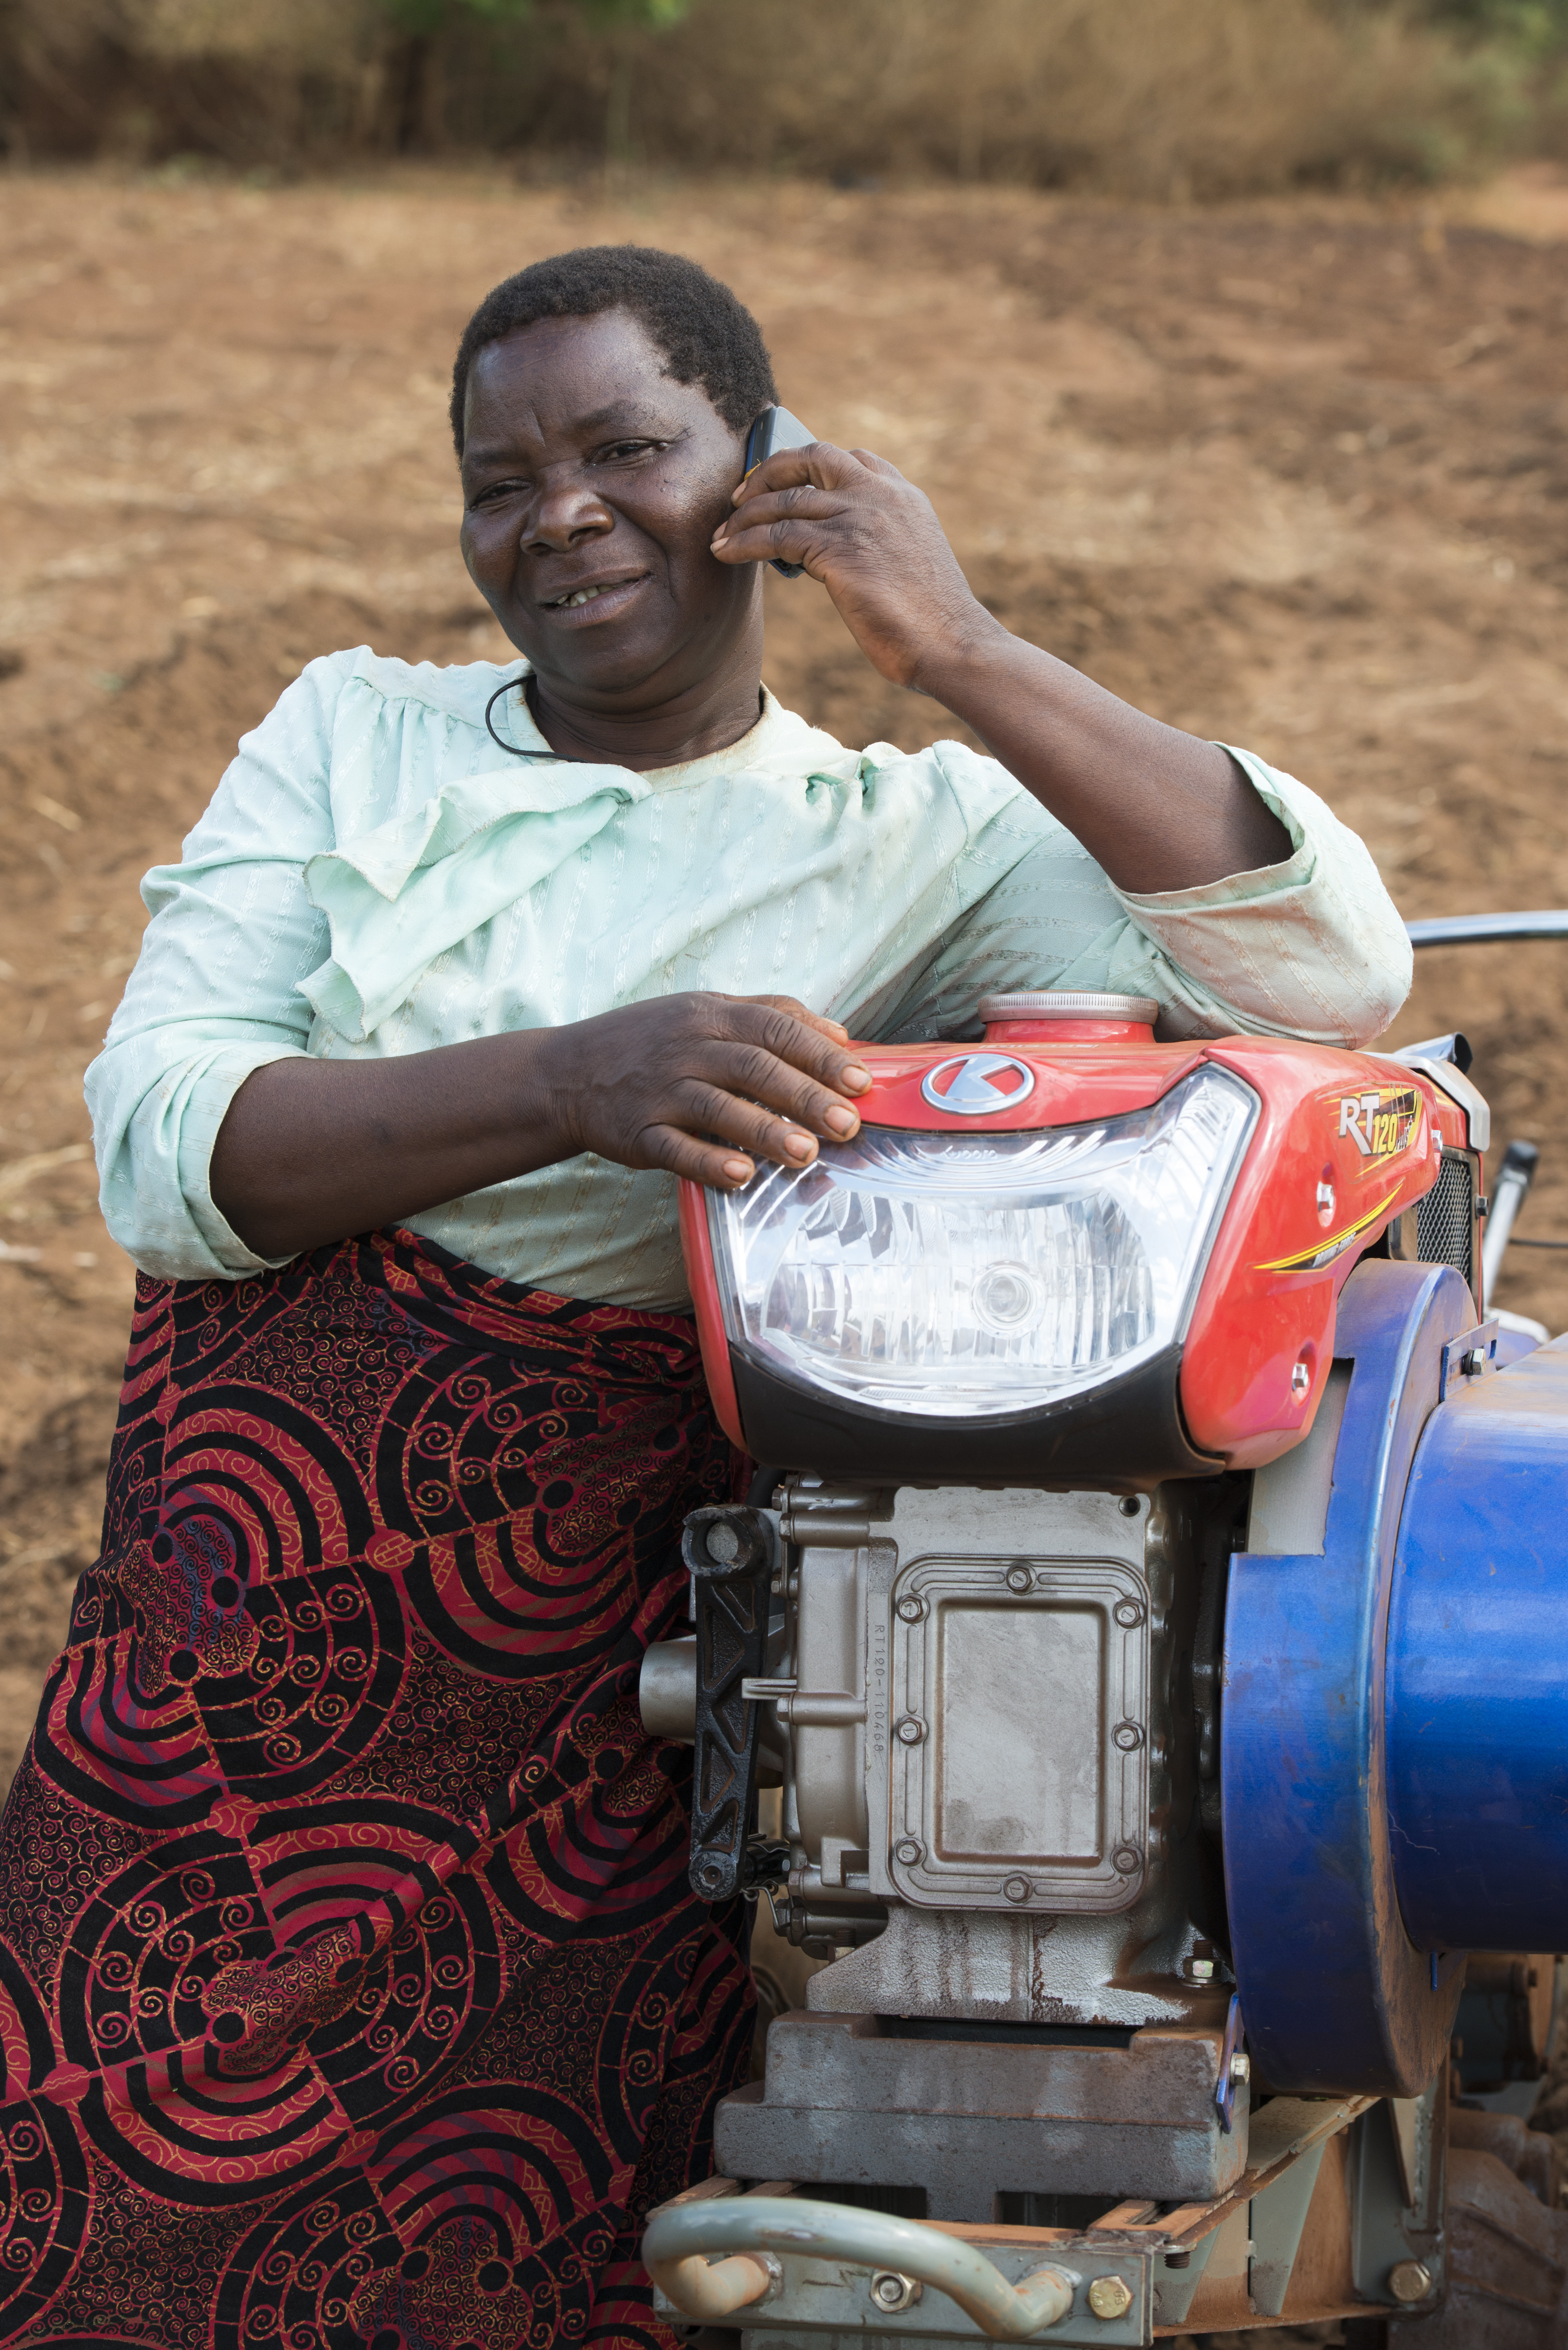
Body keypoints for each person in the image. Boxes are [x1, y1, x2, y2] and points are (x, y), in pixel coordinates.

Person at [0, 246, 1410, 2350]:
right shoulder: (350, 734)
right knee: (89, 2139)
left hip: (582, 1660)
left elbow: (1324, 973)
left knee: (519, 2205)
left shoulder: (908, 835)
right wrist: (578, 1079)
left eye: (624, 449)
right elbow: (165, 1146)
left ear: (763, 474)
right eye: (502, 477)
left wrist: (956, 643)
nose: (555, 513)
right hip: (231, 1629)